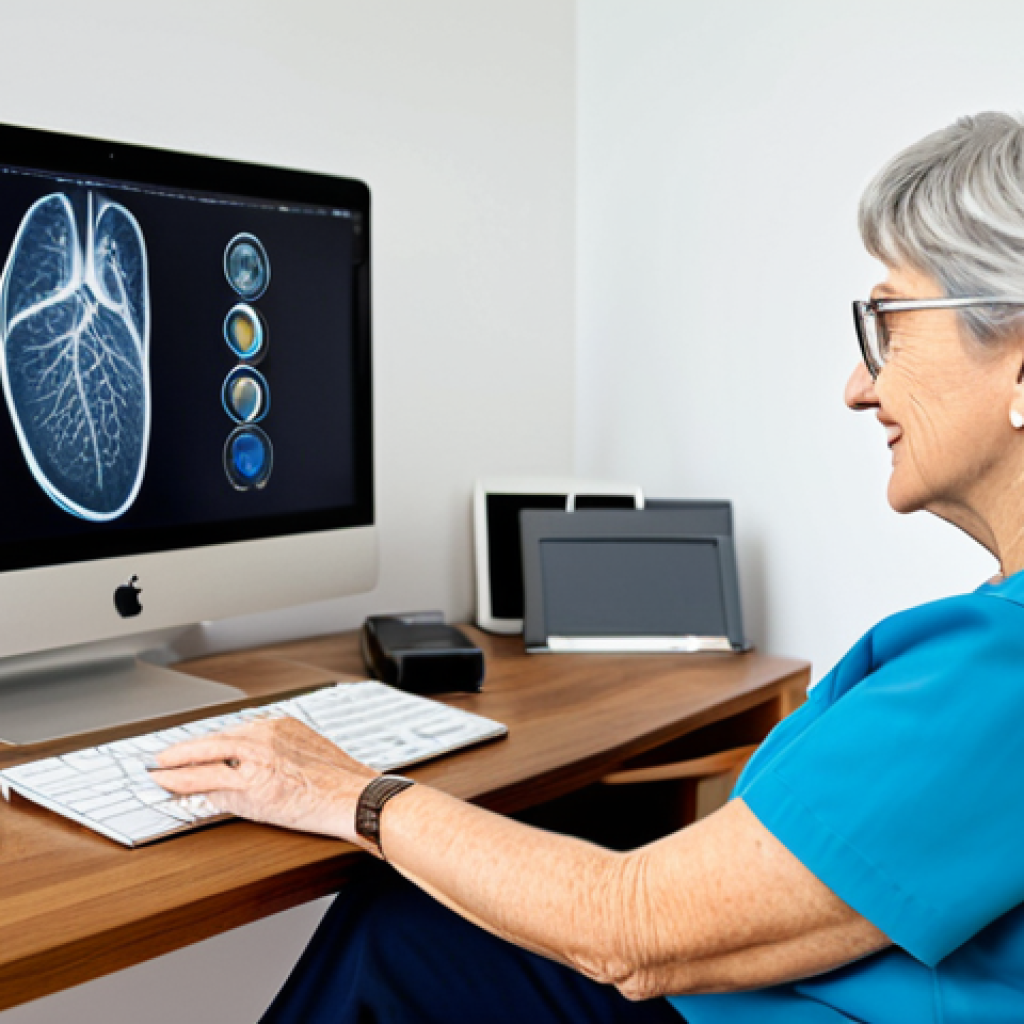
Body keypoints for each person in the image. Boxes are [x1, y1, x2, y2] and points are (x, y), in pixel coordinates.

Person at [152, 112, 1024, 1023]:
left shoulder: (1003, 668)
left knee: (390, 938)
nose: (858, 383)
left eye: (888, 321)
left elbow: (630, 928)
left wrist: (348, 794)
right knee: (417, 919)